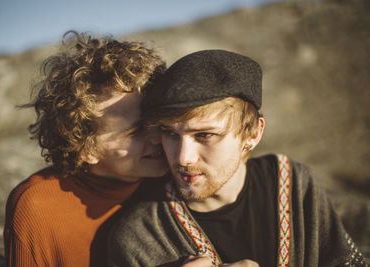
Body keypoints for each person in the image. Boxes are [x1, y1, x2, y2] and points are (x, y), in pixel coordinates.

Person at [104, 50, 367, 266]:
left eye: (205, 135)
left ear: (252, 133)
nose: (183, 157)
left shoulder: (294, 182)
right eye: (170, 134)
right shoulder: (138, 236)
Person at [3, 31, 168, 266]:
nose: (158, 138)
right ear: (85, 148)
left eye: (158, 120)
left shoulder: (179, 176)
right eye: (136, 130)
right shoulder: (39, 208)